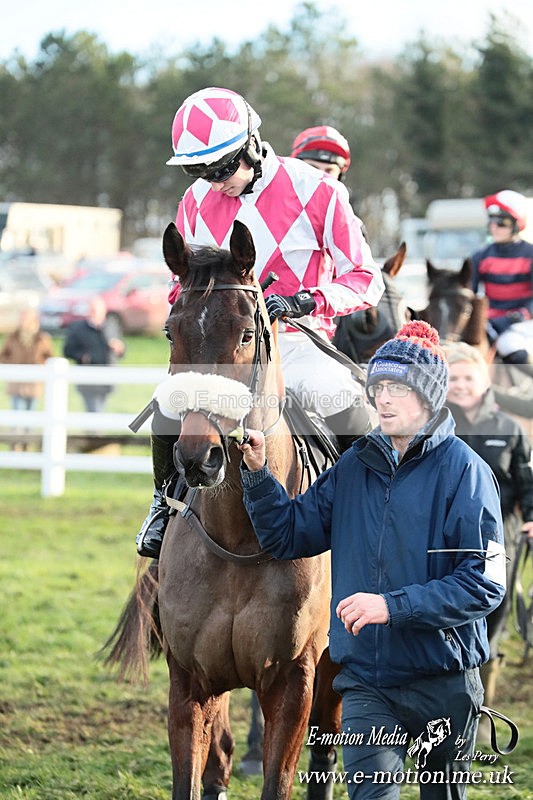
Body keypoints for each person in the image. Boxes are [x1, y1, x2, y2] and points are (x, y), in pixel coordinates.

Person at [238, 320, 505, 800]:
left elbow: (485, 584)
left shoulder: (467, 471)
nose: (382, 399)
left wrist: (392, 606)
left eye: (396, 388)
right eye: (378, 387)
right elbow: (288, 535)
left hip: (442, 681)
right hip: (364, 683)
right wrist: (258, 477)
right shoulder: (354, 464)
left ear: (427, 397)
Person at [136, 86, 384, 558]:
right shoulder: (194, 202)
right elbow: (182, 282)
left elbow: (367, 278)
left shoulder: (320, 191)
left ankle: (377, 516)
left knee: (349, 406)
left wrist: (309, 300)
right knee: (166, 404)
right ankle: (163, 506)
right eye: (199, 170)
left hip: (297, 340)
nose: (214, 180)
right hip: (221, 347)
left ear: (251, 145)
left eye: (222, 167)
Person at [444, 341, 533, 711]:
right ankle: (443, 697)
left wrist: (531, 518)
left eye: (469, 377)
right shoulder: (435, 426)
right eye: (453, 378)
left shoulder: (508, 428)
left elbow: (526, 481)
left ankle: (480, 709)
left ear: (485, 381)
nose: (461, 384)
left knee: (491, 614)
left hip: (497, 541)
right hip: (442, 537)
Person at [470, 190, 533, 364]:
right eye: (491, 222)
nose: (494, 227)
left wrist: (517, 316)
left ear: (516, 224)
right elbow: (469, 293)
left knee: (512, 348)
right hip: (489, 322)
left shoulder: (530, 254)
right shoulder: (480, 256)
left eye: (501, 223)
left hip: (523, 323)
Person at [0, 308, 55, 449]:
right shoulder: (13, 337)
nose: (23, 321)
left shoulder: (42, 338)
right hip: (16, 384)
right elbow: (3, 355)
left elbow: (50, 357)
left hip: (34, 385)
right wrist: (11, 366)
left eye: (26, 318)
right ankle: (16, 447)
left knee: (31, 417)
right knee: (18, 415)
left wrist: (41, 367)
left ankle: (27, 446)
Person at [63, 296, 125, 412]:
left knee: (100, 407)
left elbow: (121, 350)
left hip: (107, 376)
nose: (94, 313)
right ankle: (94, 429)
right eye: (92, 310)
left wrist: (119, 348)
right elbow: (68, 350)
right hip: (87, 377)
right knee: (93, 408)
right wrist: (82, 357)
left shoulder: (111, 326)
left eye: (96, 311)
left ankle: (95, 429)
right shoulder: (78, 328)